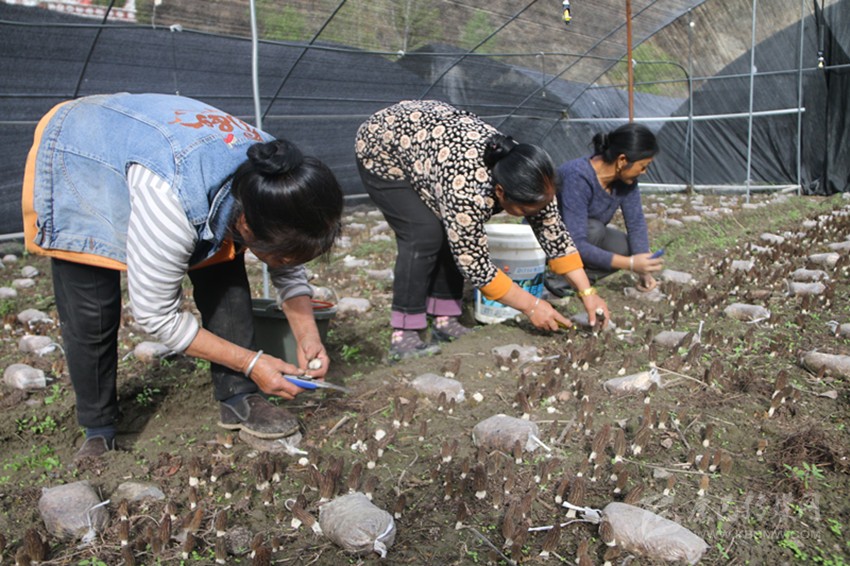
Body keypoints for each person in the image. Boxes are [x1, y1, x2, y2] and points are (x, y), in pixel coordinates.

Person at [22, 93, 344, 463]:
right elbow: (157, 316)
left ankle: (239, 398)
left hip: (163, 153)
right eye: (284, 254)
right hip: (81, 149)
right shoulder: (171, 197)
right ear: (246, 223)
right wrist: (252, 363)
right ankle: (99, 428)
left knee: (226, 279)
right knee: (92, 307)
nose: (288, 262)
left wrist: (307, 335)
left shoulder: (277, 172)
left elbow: (287, 253)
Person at [355, 99, 609, 361]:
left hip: (433, 144)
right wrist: (531, 306)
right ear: (500, 192)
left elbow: (555, 236)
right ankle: (404, 334)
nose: (535, 214)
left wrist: (587, 293)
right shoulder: (467, 193)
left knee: (452, 234)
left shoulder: (533, 178)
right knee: (423, 236)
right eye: (525, 210)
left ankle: (444, 318)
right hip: (384, 146)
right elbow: (476, 265)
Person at [548, 123, 663, 297]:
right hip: (549, 243)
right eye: (643, 166)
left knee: (623, 246)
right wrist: (630, 264)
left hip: (582, 238)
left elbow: (636, 223)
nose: (644, 172)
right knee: (594, 229)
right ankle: (553, 280)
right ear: (622, 160)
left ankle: (572, 282)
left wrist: (643, 269)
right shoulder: (578, 176)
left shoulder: (626, 181)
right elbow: (576, 242)